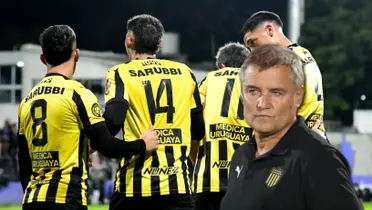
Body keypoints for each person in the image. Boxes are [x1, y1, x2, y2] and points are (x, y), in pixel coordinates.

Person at [17, 25, 159, 210]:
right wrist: (141, 144)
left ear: (43, 59)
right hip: (66, 198)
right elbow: (106, 145)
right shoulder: (78, 94)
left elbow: (23, 160)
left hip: (31, 200)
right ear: (76, 54)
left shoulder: (27, 101)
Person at [219, 44, 362, 210]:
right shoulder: (241, 155)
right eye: (253, 91)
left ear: (298, 96)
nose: (262, 103)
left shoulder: (318, 159)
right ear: (242, 95)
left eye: (276, 93)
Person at [103, 14, 205, 210]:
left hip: (134, 188)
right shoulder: (185, 72)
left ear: (129, 41)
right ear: (159, 46)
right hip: (178, 187)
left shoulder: (120, 73)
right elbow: (198, 130)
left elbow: (113, 122)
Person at [241, 11, 326, 138]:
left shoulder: (283, 62)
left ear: (270, 30)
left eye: (253, 43)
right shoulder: (304, 54)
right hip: (314, 138)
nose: (252, 52)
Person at [192, 42, 252, 210]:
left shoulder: (208, 81)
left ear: (222, 66)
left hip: (207, 179)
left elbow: (192, 124)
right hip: (246, 180)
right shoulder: (257, 83)